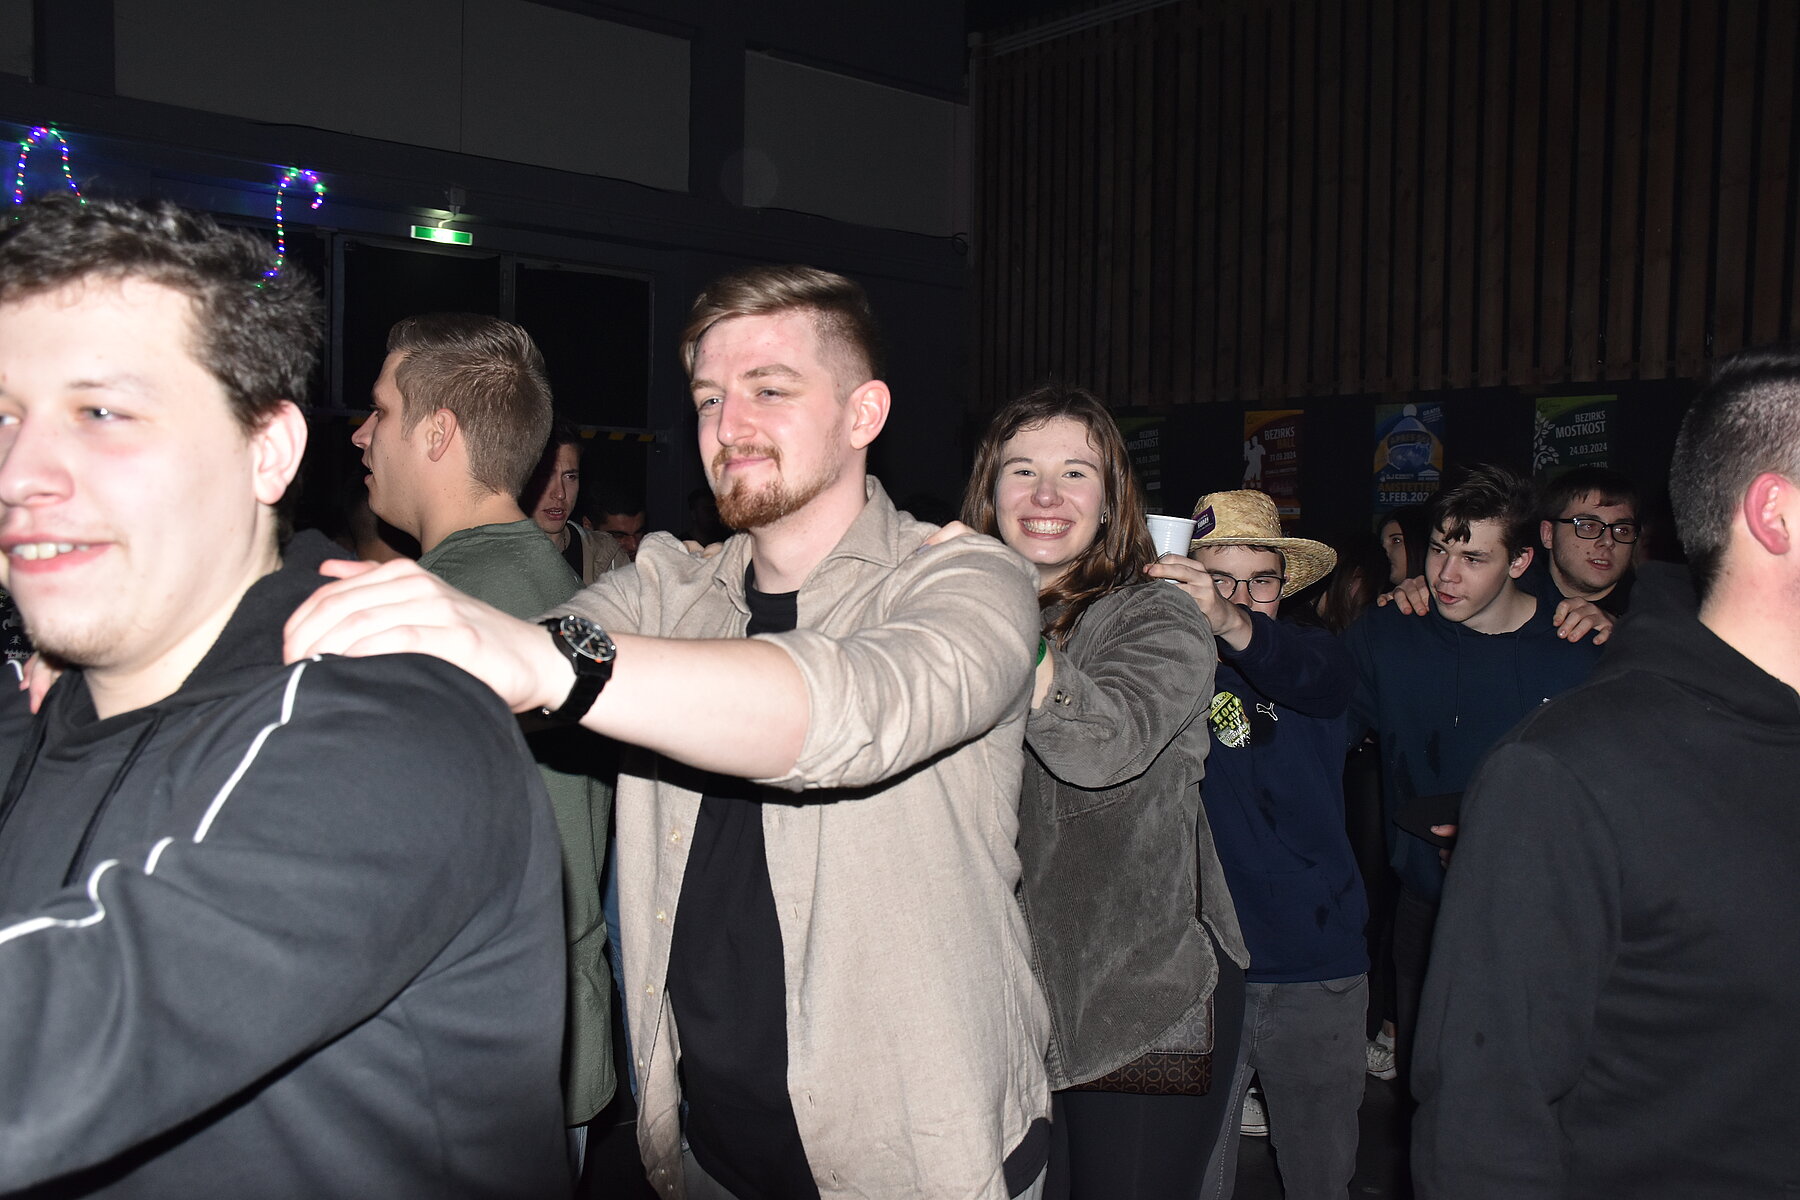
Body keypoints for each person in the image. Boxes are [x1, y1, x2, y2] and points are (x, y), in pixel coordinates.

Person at [287, 264, 1053, 1200]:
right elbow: (557, 641)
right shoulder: (669, 587)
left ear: (864, 414)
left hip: (918, 1161)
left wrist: (547, 664)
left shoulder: (968, 581)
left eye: (770, 390)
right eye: (708, 399)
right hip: (704, 1157)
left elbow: (856, 709)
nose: (728, 427)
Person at [0, 195, 568, 1195]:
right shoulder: (37, 711)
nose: (20, 474)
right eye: (2, 418)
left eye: (103, 413)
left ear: (267, 450)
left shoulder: (392, 719)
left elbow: (74, 1027)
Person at [1412, 346, 1800, 1198]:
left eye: (1618, 529)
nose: (1448, 574)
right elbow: (1485, 1129)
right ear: (1775, 513)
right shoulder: (1569, 770)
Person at [961, 385, 1249, 1200]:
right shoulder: (958, 621)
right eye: (1023, 470)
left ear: (1112, 498)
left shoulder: (1157, 616)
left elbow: (1105, 745)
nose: (1046, 495)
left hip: (1143, 997)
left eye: (1074, 473)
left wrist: (1002, 626)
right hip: (1008, 1000)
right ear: (990, 490)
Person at [352, 313, 617, 1163]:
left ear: (437, 434)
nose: (361, 434)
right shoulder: (567, 586)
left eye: (380, 411)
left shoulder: (433, 616)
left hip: (462, 1069)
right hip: (555, 1042)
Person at [1342, 464, 1602, 1093]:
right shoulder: (1390, 633)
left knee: (1535, 1093)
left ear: (1520, 562)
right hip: (1425, 909)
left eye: (1474, 558)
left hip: (1543, 919)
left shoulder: (1577, 650)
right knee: (1428, 1092)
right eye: (1439, 550)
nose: (1446, 576)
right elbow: (1310, 728)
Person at [1152, 492, 1367, 1200]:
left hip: (1314, 967)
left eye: (1261, 581)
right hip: (1195, 973)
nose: (1241, 597)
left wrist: (1225, 617)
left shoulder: (1316, 656)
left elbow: (1322, 680)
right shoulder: (1154, 666)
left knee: (1320, 1178)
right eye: (1219, 578)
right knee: (1186, 1178)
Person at [1525, 465, 1641, 616]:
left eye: (1622, 530)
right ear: (1548, 534)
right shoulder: (1514, 597)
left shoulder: (1654, 612)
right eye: (1588, 526)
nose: (1608, 541)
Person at [526, 420, 629, 583]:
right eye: (546, 476)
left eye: (570, 477)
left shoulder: (606, 556)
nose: (560, 493)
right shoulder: (492, 557)